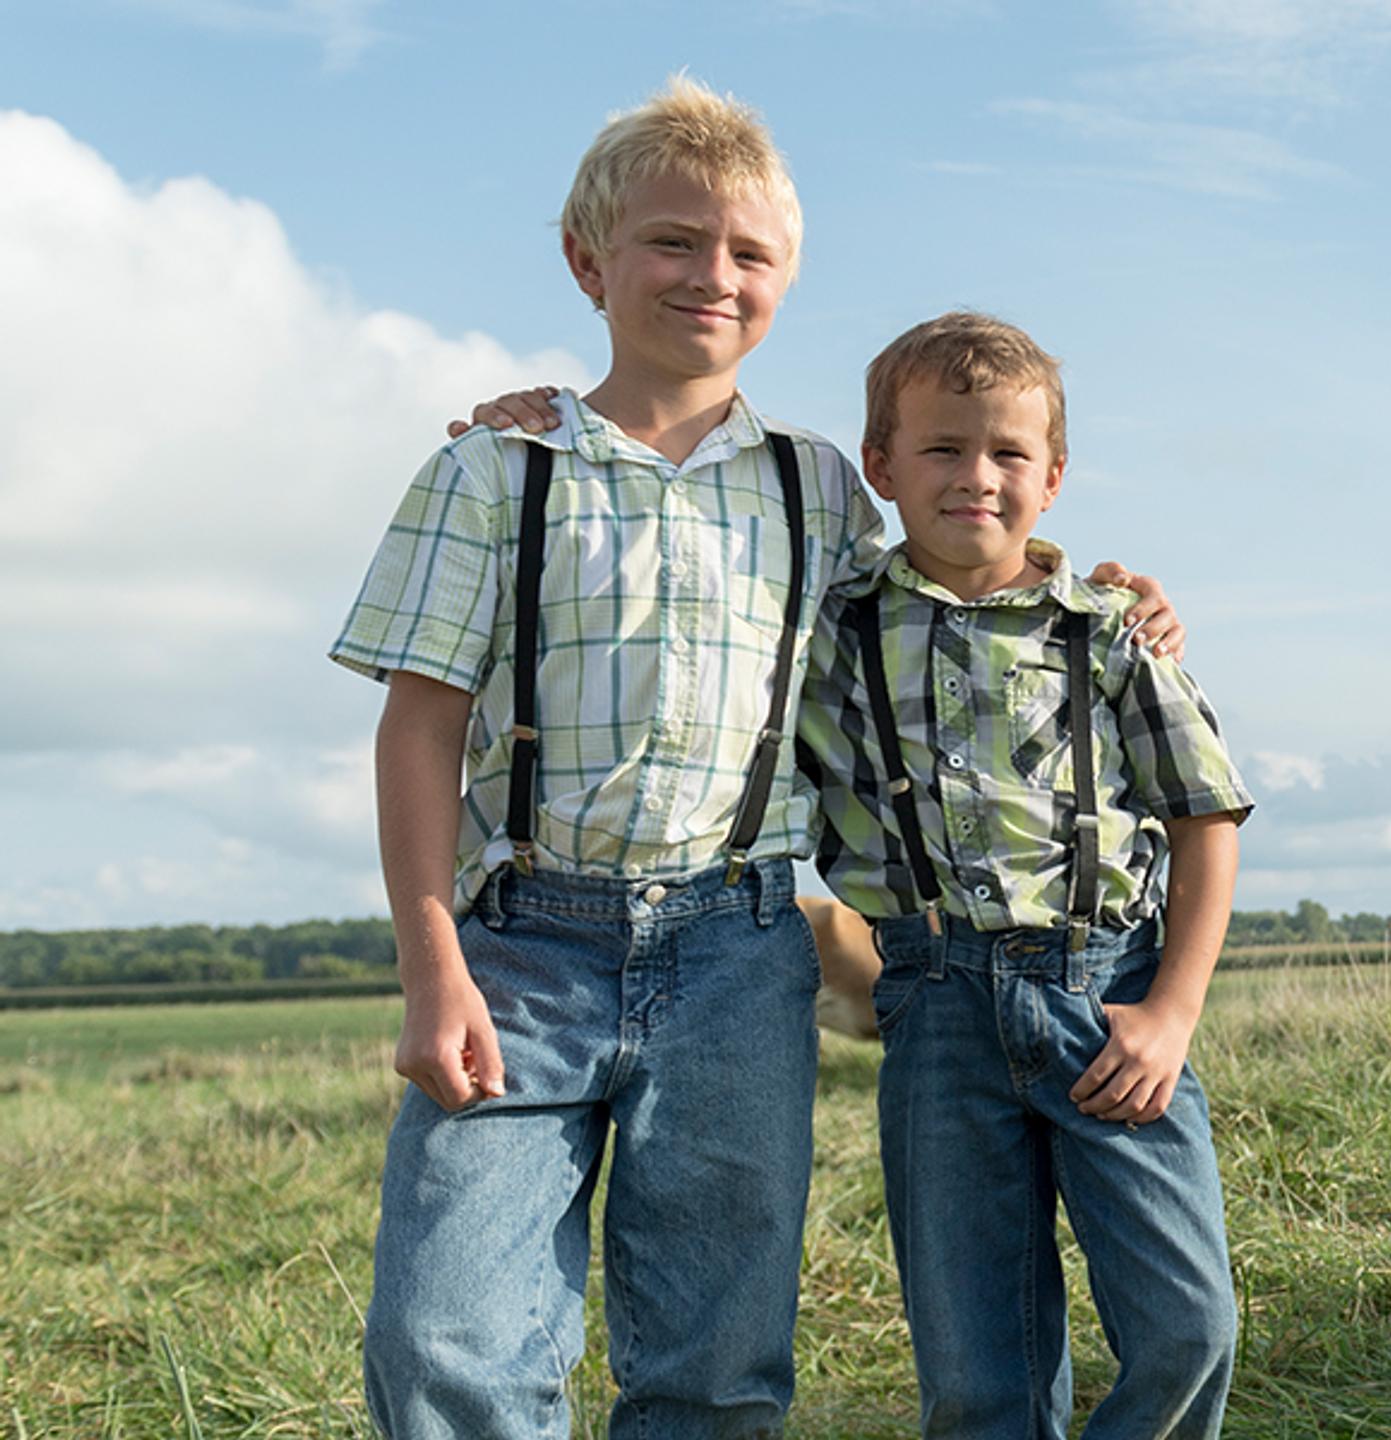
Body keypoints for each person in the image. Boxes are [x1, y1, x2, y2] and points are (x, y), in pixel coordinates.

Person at [335, 77, 1173, 1437]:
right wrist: (432, 969)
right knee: (444, 1336)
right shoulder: (497, 472)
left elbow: (956, 597)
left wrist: (1101, 588)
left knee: (717, 1363)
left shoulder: (820, 483)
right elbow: (420, 724)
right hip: (523, 944)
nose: (709, 275)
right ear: (588, 259)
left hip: (740, 944)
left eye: (748, 254)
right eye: (672, 242)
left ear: (784, 277)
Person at [800, 310, 1249, 1437]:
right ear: (882, 465)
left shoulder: (1111, 631)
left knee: (1191, 1325)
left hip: (1107, 1003)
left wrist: (1173, 1013)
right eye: (944, 450)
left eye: (1008, 454)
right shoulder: (830, 630)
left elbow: (1206, 818)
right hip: (936, 1009)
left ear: (1053, 478)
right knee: (976, 1372)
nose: (976, 478)